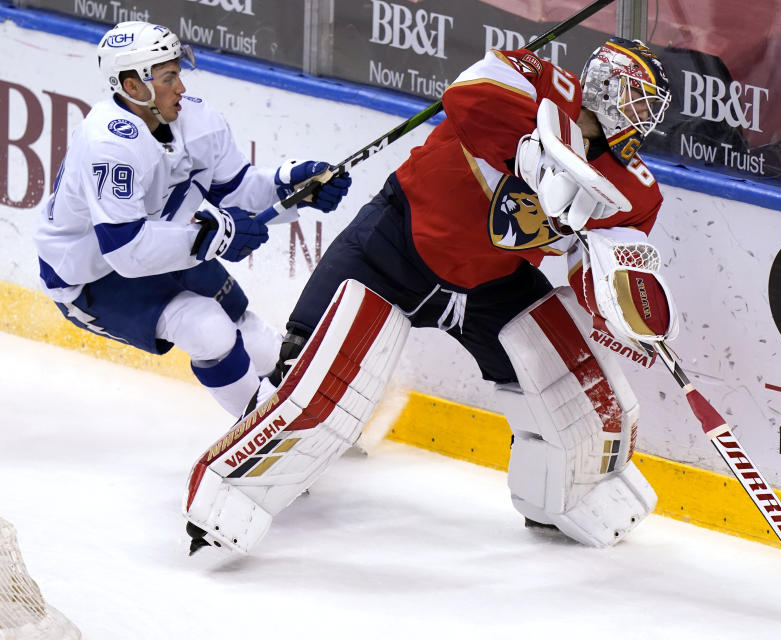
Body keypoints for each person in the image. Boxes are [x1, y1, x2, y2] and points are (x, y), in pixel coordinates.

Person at [183, 37, 678, 554]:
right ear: (606, 87)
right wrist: (530, 154)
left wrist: (623, 305)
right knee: (313, 390)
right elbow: (465, 96)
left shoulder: (636, 189)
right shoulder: (538, 83)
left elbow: (604, 267)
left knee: (577, 391)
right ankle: (227, 497)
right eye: (640, 101)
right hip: (395, 245)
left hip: (494, 282)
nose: (645, 120)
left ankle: (565, 497)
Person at [34, 21, 351, 418]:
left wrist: (290, 185)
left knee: (245, 326)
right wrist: (215, 238)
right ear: (133, 87)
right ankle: (263, 437)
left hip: (160, 246)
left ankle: (312, 411)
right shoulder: (109, 146)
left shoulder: (196, 120)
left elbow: (236, 188)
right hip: (88, 274)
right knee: (207, 327)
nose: (181, 87)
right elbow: (125, 251)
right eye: (168, 77)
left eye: (178, 74)